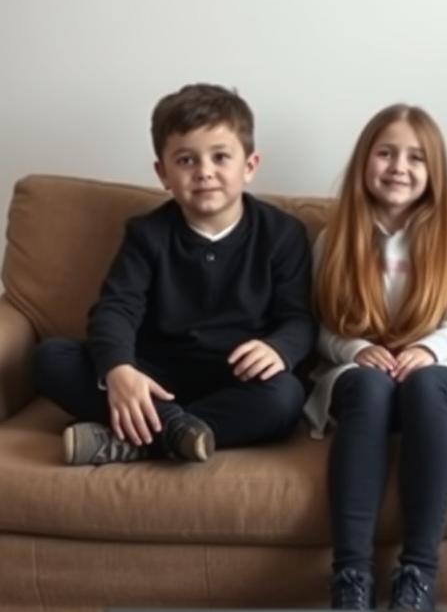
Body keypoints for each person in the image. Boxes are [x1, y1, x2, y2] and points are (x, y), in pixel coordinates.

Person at [32, 83, 315, 466]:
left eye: (220, 158)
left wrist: (280, 348)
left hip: (234, 377)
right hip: (155, 375)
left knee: (285, 397)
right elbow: (116, 308)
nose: (204, 173)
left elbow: (298, 317)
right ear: (163, 173)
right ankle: (175, 431)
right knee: (51, 358)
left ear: (249, 166)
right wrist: (119, 371)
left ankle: (137, 439)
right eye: (186, 161)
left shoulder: (283, 234)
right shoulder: (147, 234)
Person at [305, 103, 447, 612]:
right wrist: (356, 349)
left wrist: (428, 349)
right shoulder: (334, 239)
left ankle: (418, 571)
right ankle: (351, 576)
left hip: (438, 368)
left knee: (424, 385)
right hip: (360, 369)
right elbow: (320, 324)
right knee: (370, 387)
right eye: (387, 153)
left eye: (416, 158)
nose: (399, 167)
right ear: (364, 162)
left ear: (433, 172)